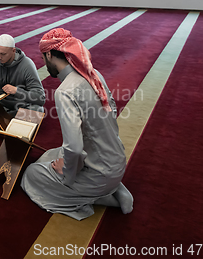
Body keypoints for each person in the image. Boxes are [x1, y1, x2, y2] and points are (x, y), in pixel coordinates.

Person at [21, 28, 133, 220]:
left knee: (31, 174)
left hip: (98, 174)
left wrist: (66, 173)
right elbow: (112, 110)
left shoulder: (65, 91)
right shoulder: (94, 73)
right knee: (49, 155)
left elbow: (74, 147)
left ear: (49, 54)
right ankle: (115, 187)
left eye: (43, 58)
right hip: (117, 162)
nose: (44, 63)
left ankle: (103, 198)